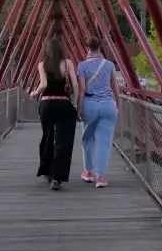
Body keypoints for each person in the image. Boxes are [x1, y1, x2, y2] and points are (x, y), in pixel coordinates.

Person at [30, 37, 78, 191]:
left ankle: (47, 171)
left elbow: (43, 84)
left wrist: (35, 92)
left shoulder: (42, 64)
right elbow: (75, 85)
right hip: (64, 105)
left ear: (47, 50)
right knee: (63, 141)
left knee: (47, 137)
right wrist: (76, 104)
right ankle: (57, 177)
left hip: (47, 105)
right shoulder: (68, 63)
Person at [76, 36, 120, 188]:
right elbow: (115, 87)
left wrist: (79, 108)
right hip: (108, 105)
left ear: (86, 48)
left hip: (89, 104)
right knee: (104, 142)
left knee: (87, 139)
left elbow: (81, 90)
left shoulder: (82, 66)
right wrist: (117, 104)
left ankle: (87, 171)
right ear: (100, 47)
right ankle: (100, 177)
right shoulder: (109, 64)